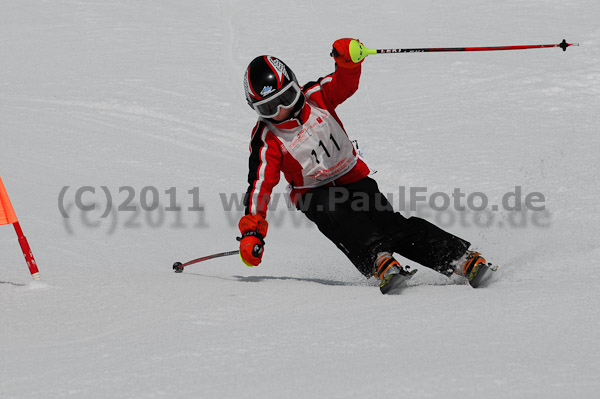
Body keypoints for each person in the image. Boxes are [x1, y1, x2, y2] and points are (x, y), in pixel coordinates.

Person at [237, 38, 494, 294]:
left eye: (288, 97)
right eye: (270, 107)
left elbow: (343, 84)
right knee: (336, 214)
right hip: (312, 192)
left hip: (352, 177)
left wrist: (348, 61)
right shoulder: (267, 138)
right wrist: (252, 232)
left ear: (296, 87)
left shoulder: (317, 97)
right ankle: (379, 260)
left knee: (392, 226)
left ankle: (459, 259)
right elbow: (261, 186)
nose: (283, 110)